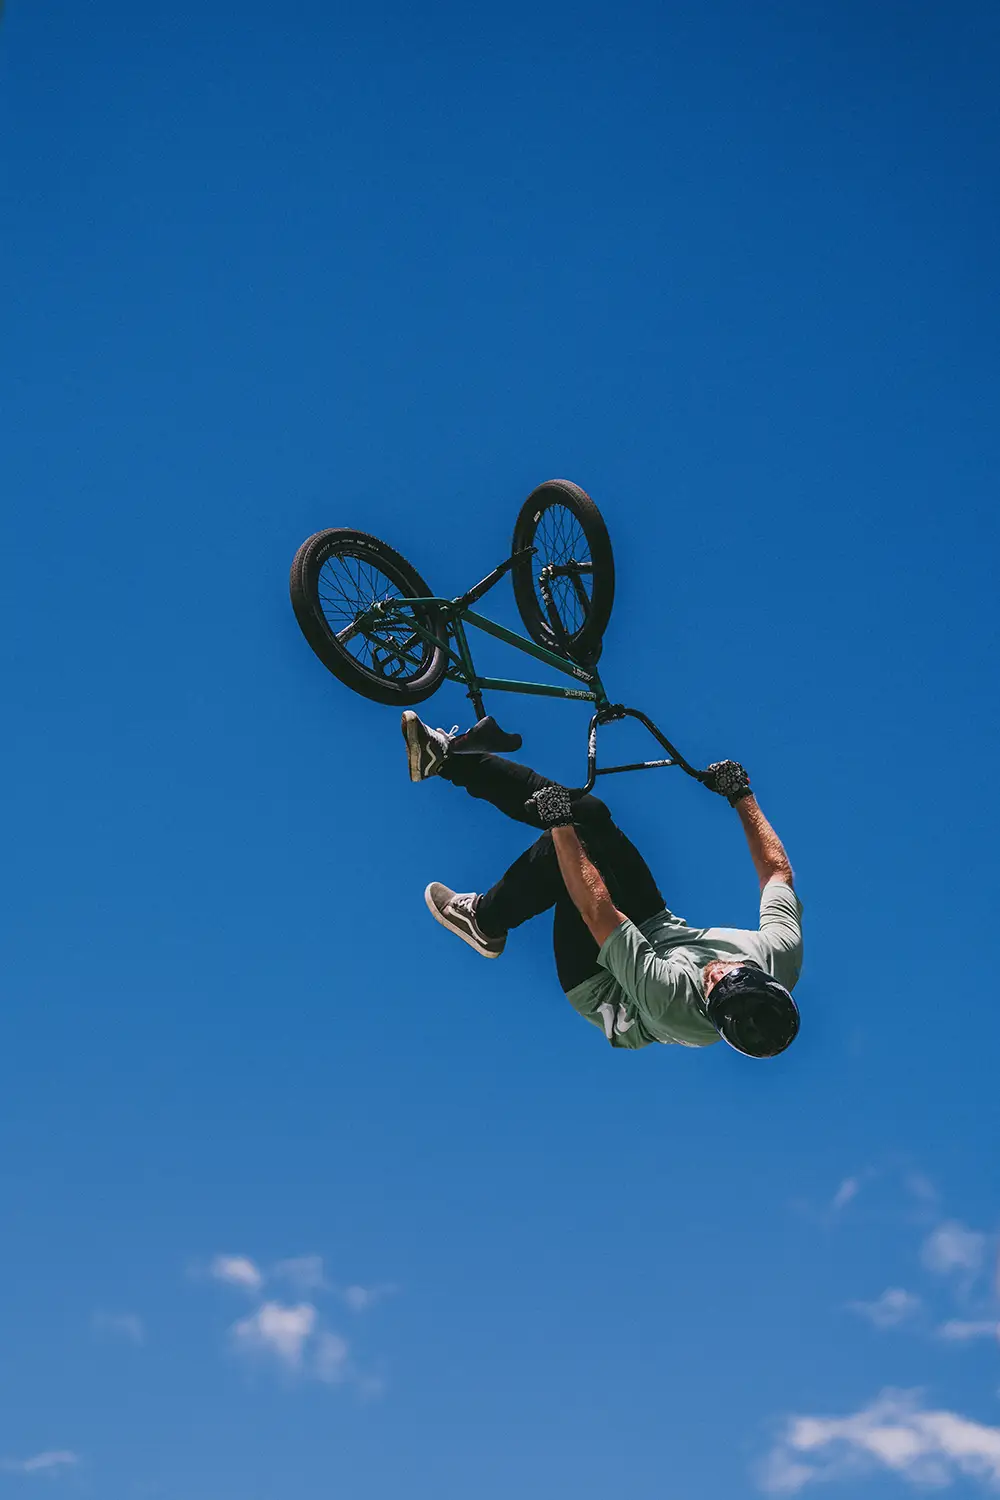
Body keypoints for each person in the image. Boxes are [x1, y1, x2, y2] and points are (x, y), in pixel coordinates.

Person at [401, 711, 803, 1059]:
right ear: (761, 974)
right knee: (592, 816)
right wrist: (741, 794)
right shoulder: (780, 953)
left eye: (712, 995)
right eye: (724, 976)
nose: (711, 979)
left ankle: (483, 922)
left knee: (568, 847)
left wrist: (559, 825)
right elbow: (776, 874)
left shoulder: (671, 1003)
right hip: (655, 926)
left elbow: (598, 913)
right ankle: (447, 758)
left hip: (600, 981)